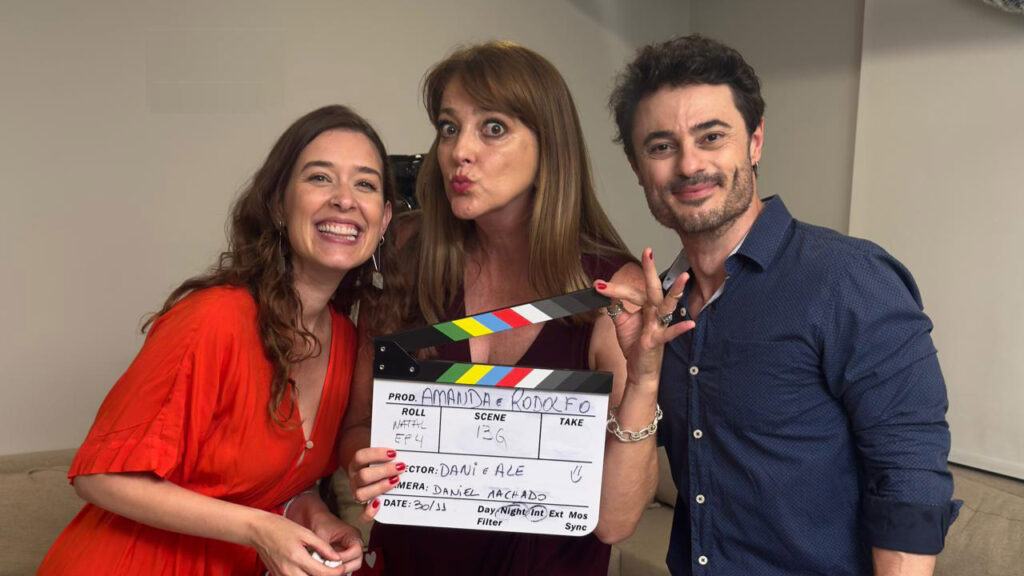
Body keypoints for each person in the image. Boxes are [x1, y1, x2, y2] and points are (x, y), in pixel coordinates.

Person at [596, 34, 961, 576]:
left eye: (711, 136)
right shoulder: (660, 309)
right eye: (661, 146)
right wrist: (643, 375)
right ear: (636, 166)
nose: (689, 164)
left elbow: (909, 472)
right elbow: (615, 522)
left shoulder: (849, 278)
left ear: (755, 141)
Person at [337, 41, 672, 575]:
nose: (459, 151)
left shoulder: (612, 289)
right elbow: (359, 423)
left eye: (493, 128)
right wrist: (363, 463)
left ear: (548, 147)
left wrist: (645, 382)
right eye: (449, 127)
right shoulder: (405, 253)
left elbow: (614, 523)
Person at [39, 105, 394, 576]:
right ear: (278, 205)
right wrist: (259, 529)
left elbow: (277, 480)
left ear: (383, 220)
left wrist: (313, 516)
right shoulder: (213, 317)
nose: (344, 199)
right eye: (320, 178)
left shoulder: (347, 341)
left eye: (365, 184)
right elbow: (99, 476)